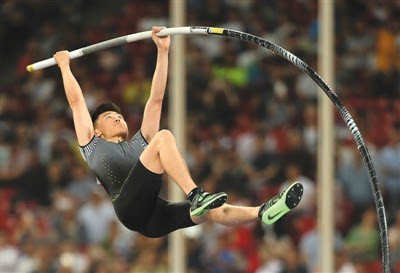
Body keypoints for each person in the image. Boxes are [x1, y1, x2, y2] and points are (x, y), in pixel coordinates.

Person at [53, 26, 303, 238]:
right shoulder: (92, 145)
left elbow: (156, 99)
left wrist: (163, 51)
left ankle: (262, 211)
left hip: (153, 218)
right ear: (97, 132)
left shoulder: (141, 144)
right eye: (109, 117)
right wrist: (65, 66)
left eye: (119, 115)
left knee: (213, 211)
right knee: (164, 137)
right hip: (127, 207)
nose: (117, 117)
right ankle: (196, 194)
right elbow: (76, 102)